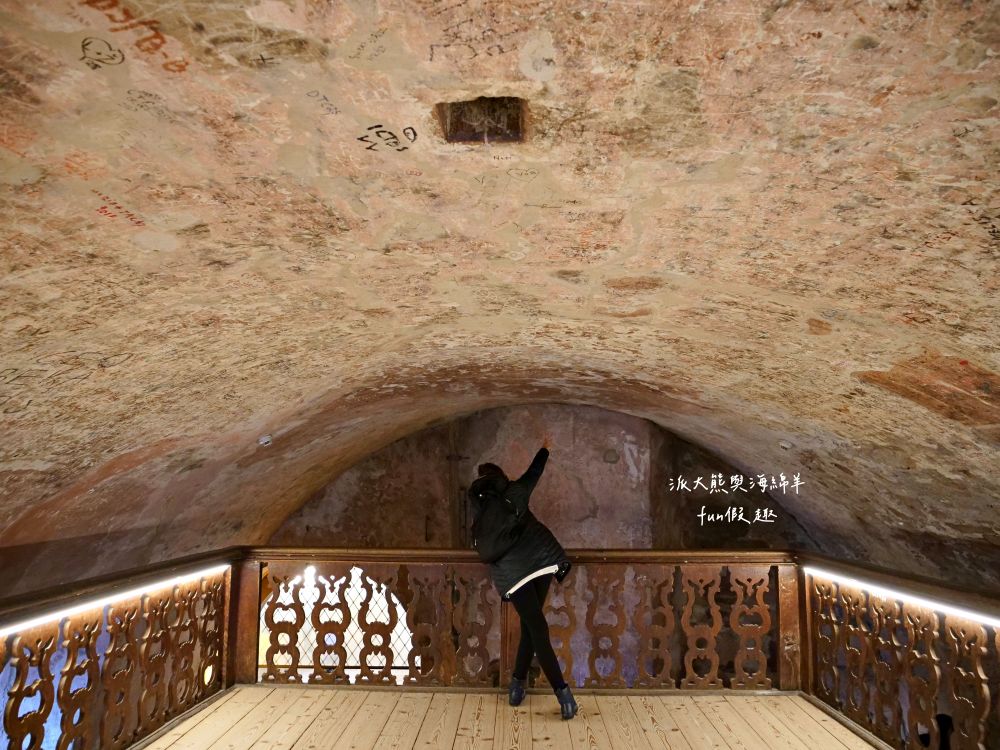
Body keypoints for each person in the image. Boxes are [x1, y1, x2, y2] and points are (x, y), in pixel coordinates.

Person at [466, 437, 577, 719]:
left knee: (532, 626)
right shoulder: (513, 493)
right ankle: (563, 694)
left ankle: (517, 685)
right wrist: (545, 449)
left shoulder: (479, 515)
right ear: (499, 477)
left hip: (513, 577)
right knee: (537, 629)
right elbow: (534, 473)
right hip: (540, 564)